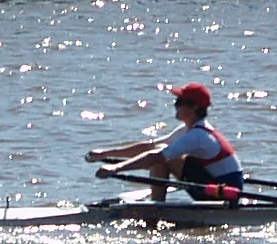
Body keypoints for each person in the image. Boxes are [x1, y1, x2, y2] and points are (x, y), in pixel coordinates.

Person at [87, 82, 246, 202]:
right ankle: (156, 203)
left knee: (163, 156)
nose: (174, 106)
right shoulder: (189, 129)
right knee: (160, 151)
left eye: (179, 102)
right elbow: (150, 146)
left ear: (194, 107)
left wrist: (116, 168)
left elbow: (156, 156)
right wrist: (104, 153)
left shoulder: (198, 135)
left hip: (223, 193)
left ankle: (156, 207)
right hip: (216, 186)